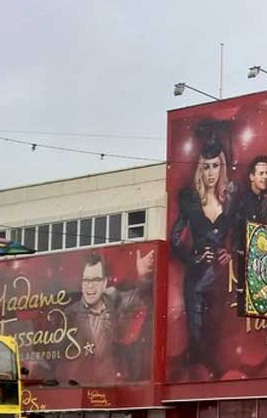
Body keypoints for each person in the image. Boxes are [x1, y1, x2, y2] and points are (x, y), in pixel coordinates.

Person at [171, 137, 237, 374]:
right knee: (196, 338)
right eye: (206, 167)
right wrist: (193, 257)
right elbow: (174, 238)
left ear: (222, 167)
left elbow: (240, 230)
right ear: (201, 168)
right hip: (196, 280)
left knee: (217, 338)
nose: (211, 173)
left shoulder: (230, 197)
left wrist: (230, 252)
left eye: (215, 166)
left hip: (220, 281)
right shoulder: (189, 198)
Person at [66, 249, 155, 382]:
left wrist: (143, 278)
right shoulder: (70, 314)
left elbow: (139, 297)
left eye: (95, 280)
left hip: (117, 384)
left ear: (104, 283)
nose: (90, 286)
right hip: (79, 387)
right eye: (86, 281)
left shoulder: (115, 299)